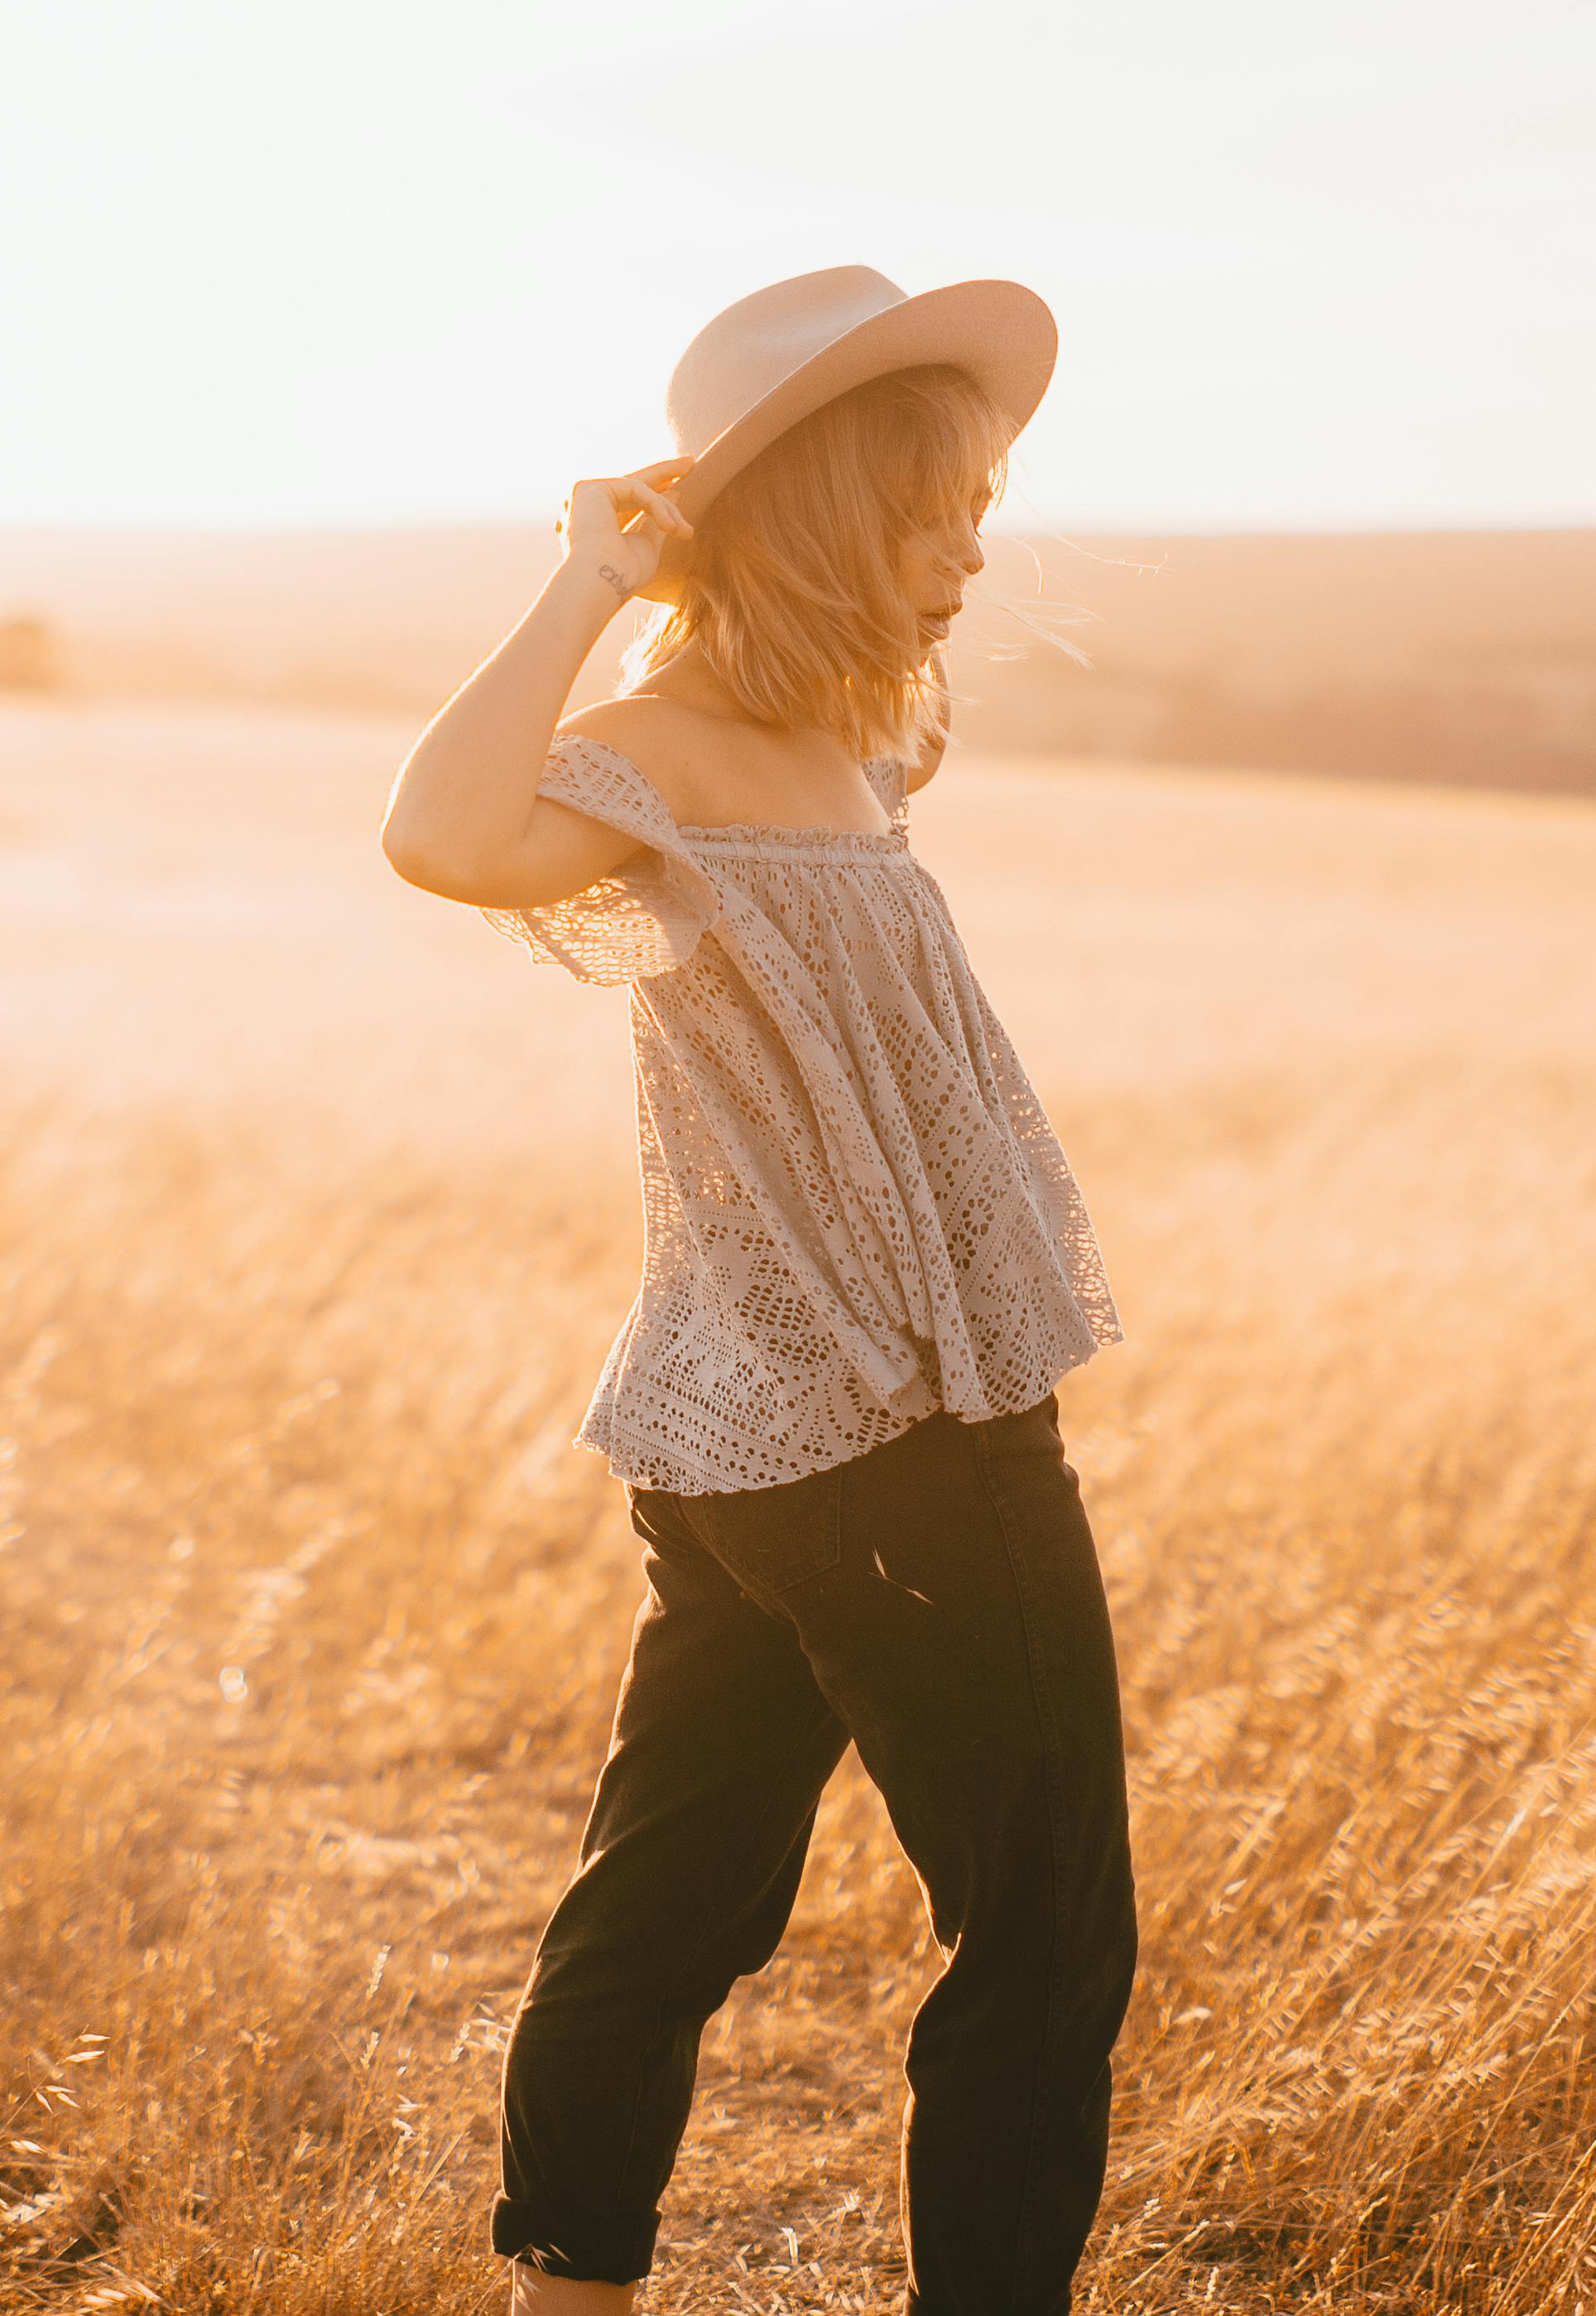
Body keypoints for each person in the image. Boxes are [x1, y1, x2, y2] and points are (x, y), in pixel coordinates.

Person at [380, 267, 1137, 2316]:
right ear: (811, 514)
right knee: (1047, 1941)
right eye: (929, 510)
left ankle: (567, 2292)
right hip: (903, 1429)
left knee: (672, 1901)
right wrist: (593, 579)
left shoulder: (849, 745)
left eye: (977, 509)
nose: (970, 553)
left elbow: (886, 699)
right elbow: (440, 832)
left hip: (744, 1433)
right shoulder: (660, 753)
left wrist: (820, 581)